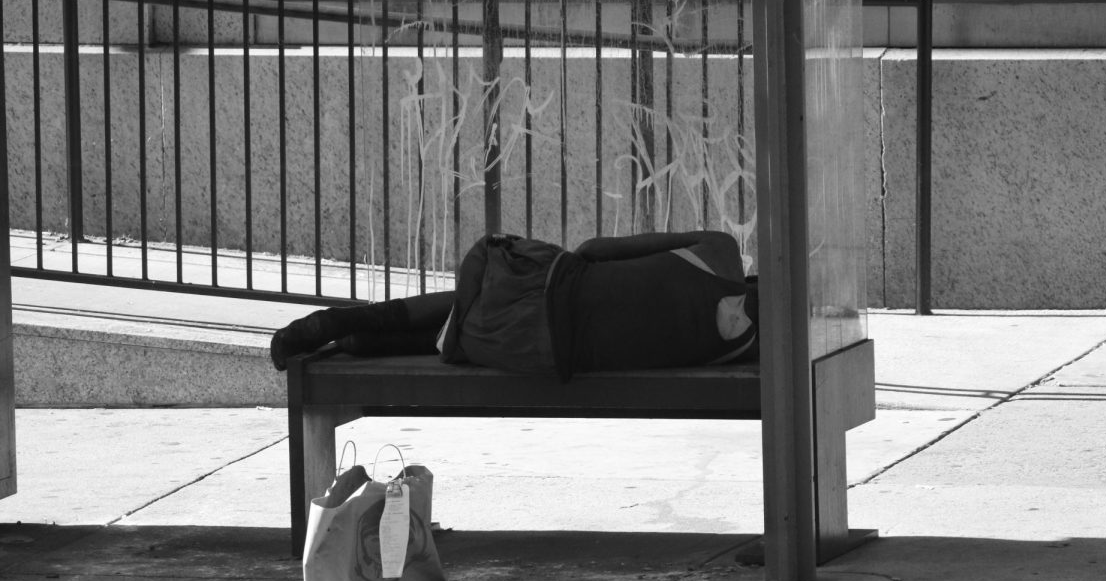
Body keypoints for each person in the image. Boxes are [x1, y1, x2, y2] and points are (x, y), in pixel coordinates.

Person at [270, 229, 759, 380]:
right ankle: (360, 341)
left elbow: (593, 248)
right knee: (466, 326)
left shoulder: (719, 252)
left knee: (480, 290)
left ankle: (331, 324)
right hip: (533, 352)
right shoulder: (748, 352)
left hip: (536, 294)